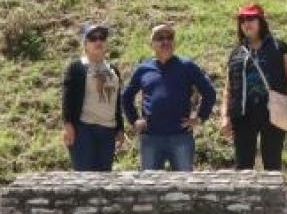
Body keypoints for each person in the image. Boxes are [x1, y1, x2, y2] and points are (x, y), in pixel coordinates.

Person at [122, 21, 216, 171]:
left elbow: (209, 92)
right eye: (160, 38)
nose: (165, 41)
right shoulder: (143, 69)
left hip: (181, 137)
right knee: (149, 185)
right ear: (151, 44)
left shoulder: (187, 66)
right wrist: (134, 120)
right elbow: (126, 96)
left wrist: (199, 117)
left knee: (184, 185)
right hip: (151, 138)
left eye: (169, 37)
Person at [220, 3, 287, 171]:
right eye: (242, 19)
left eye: (251, 18)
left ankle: (271, 198)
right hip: (243, 114)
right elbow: (228, 88)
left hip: (273, 112)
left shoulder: (279, 47)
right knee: (243, 166)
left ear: (261, 21)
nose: (246, 23)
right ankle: (245, 198)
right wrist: (224, 116)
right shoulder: (236, 52)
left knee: (273, 163)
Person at [61, 20, 125, 172]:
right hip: (84, 129)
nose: (98, 41)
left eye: (102, 37)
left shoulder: (113, 70)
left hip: (108, 130)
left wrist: (120, 128)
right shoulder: (77, 67)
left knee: (105, 176)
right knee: (85, 176)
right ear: (85, 44)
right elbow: (68, 97)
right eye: (93, 38)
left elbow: (116, 101)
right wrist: (68, 124)